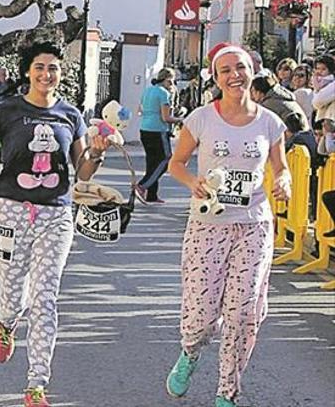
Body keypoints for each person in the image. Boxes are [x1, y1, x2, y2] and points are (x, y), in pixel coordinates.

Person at [0, 41, 110, 407]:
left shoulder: (71, 115)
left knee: (45, 298)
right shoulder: (6, 110)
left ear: (61, 74)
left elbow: (81, 172)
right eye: (40, 67)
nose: (47, 74)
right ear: (27, 71)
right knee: (13, 293)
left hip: (56, 215)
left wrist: (96, 151)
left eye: (53, 68)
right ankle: (6, 323)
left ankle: (36, 386)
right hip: (9, 211)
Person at [165, 43, 290, 407]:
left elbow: (280, 168)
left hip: (253, 225)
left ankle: (227, 392)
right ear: (216, 78)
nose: (235, 75)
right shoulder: (202, 118)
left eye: (241, 67)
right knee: (201, 314)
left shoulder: (270, 122)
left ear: (252, 71)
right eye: (226, 70)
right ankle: (190, 351)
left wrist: (283, 181)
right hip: (208, 225)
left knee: (244, 312)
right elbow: (176, 164)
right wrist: (193, 183)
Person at [136, 68, 182, 203]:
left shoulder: (147, 90)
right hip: (158, 130)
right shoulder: (164, 94)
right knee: (166, 159)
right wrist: (181, 120)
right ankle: (142, 186)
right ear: (168, 79)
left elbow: (141, 109)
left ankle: (152, 195)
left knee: (152, 162)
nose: (173, 84)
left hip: (145, 129)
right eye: (173, 81)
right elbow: (166, 117)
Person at [311, 54, 335, 154]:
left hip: (331, 123)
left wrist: (317, 90)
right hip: (325, 124)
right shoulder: (319, 83)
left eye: (323, 69)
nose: (319, 72)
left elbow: (317, 102)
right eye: (317, 68)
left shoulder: (332, 84)